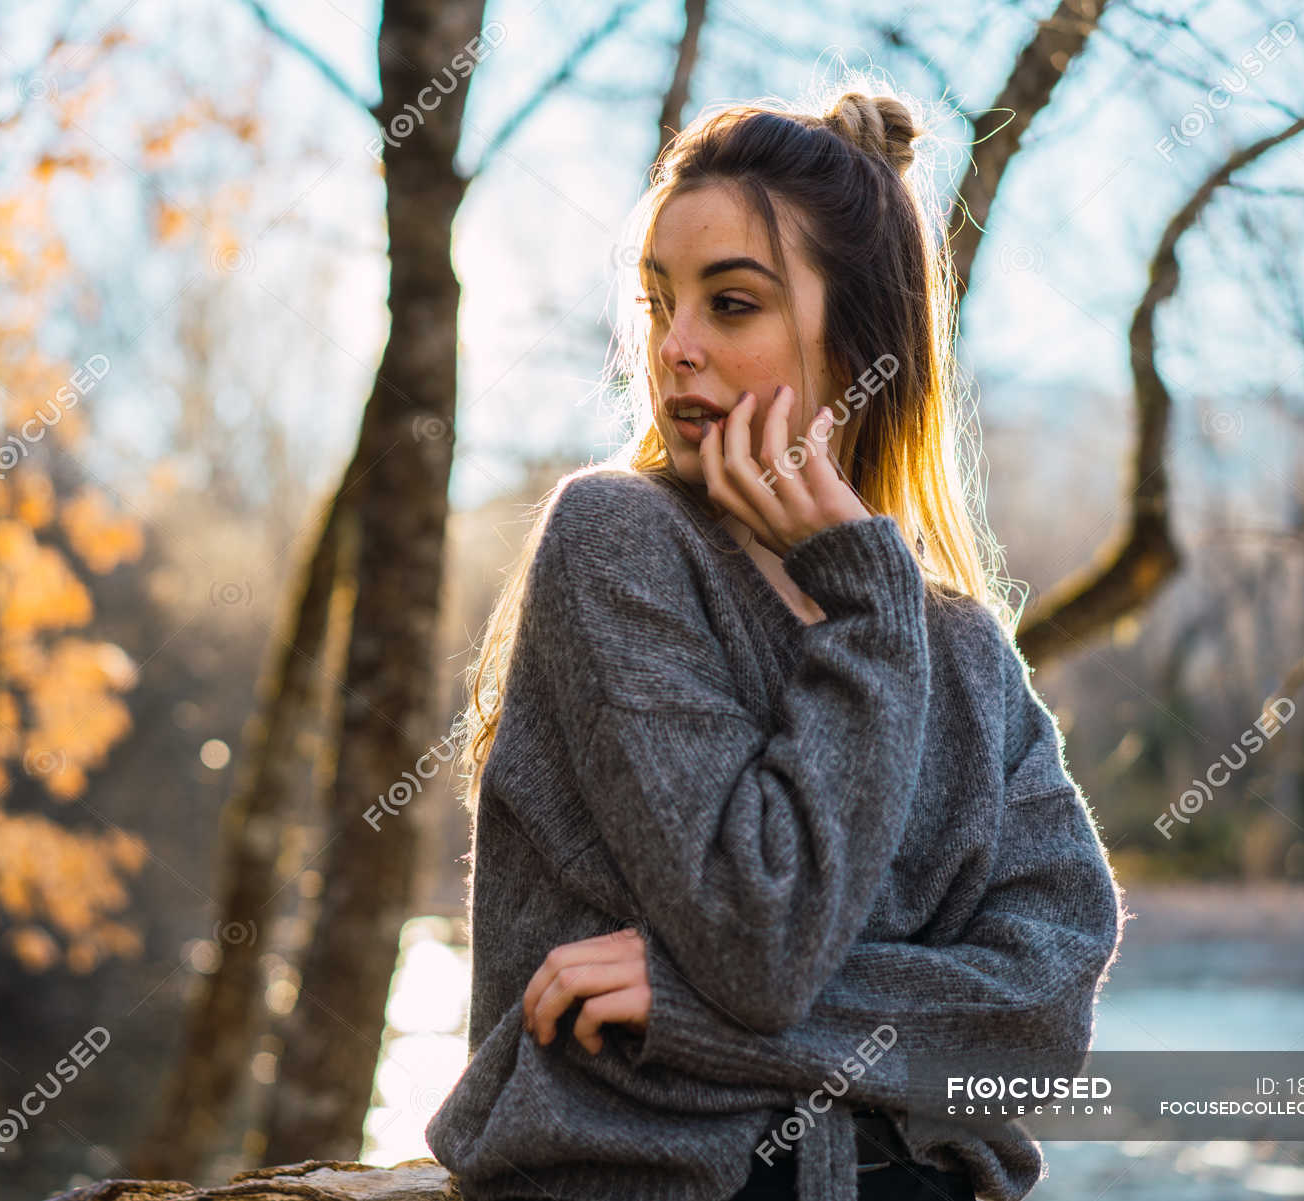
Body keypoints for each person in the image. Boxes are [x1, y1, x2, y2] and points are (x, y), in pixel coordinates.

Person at [424, 80, 1126, 1201]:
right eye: (660, 302)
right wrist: (866, 614)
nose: (676, 348)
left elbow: (1040, 1018)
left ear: (858, 343)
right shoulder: (618, 544)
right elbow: (757, 940)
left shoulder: (959, 647)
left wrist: (686, 1010)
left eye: (732, 304)